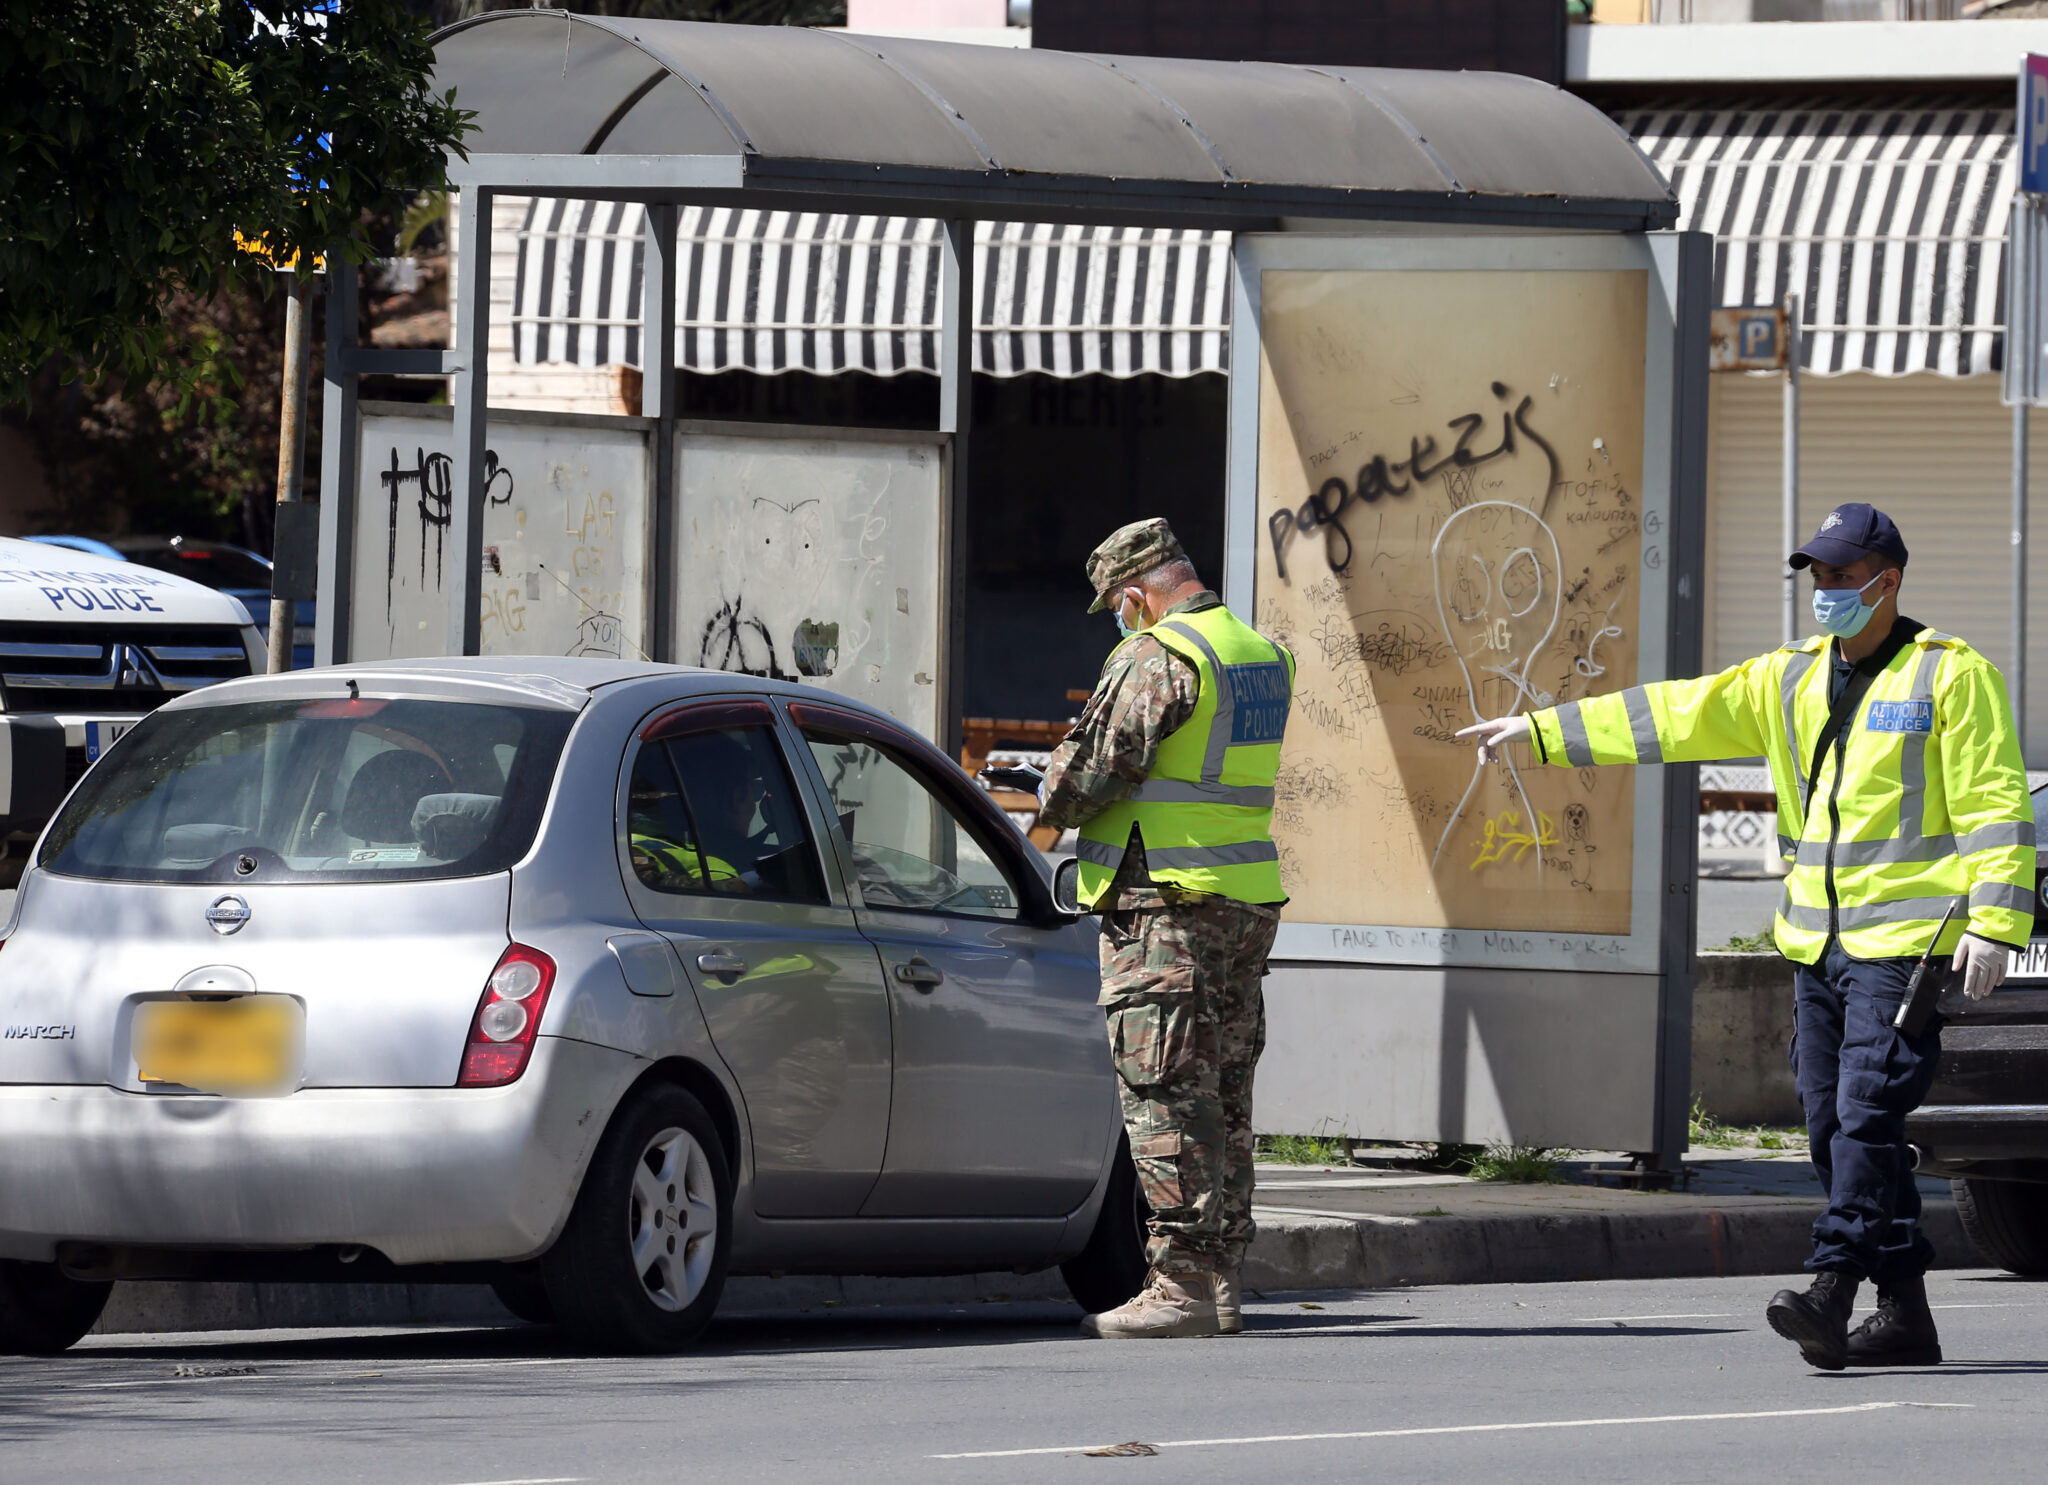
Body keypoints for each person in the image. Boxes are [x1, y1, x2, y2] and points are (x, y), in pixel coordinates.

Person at [1458, 502, 2034, 1370]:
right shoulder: (1788, 678)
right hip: (1814, 947)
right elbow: (1671, 715)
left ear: (1890, 580)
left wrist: (1994, 924)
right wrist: (1541, 731)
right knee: (1831, 1134)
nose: (1828, 592)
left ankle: (1832, 1284)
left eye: (1844, 576)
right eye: (1820, 577)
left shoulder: (1951, 676)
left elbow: (1997, 804)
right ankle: (1907, 1311)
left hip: (1904, 946)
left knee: (1867, 1119)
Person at [1038, 518, 1295, 1340]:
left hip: (1167, 903)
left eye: (1118, 606)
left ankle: (1179, 1283)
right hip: (1243, 902)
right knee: (1223, 1095)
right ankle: (1219, 1279)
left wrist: (1053, 784)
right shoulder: (1259, 652)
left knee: (1164, 1092)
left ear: (1134, 594)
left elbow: (1077, 784)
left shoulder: (1158, 657)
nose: (1120, 618)